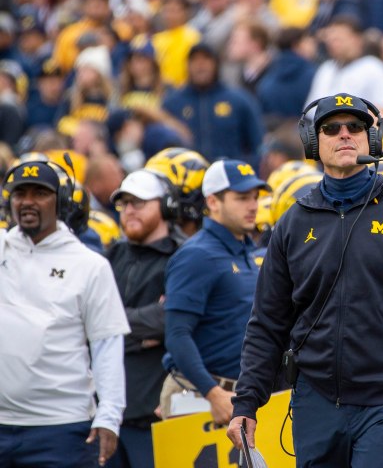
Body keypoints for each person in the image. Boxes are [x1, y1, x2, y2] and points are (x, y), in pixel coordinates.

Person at [227, 93, 383, 467]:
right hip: (316, 398)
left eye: (355, 127)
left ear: (371, 138)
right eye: (331, 128)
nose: (345, 135)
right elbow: (267, 321)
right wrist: (246, 403)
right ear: (312, 141)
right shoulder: (293, 221)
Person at [0, 160, 129, 467]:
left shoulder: (89, 264)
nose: (28, 201)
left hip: (62, 428)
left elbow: (107, 344)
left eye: (39, 193)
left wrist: (110, 415)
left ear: (60, 201)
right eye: (20, 193)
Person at [160, 159, 268, 425]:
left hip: (235, 395)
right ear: (213, 202)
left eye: (254, 197)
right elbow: (176, 334)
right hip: (203, 395)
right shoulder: (197, 255)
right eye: (242, 198)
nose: (253, 205)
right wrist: (212, 392)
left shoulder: (243, 250)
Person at [105, 169, 185, 467]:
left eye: (138, 202)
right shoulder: (113, 254)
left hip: (156, 413)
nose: (129, 211)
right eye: (124, 204)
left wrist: (110, 325)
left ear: (165, 206)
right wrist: (142, 330)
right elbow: (87, 319)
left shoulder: (183, 255)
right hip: (110, 413)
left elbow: (170, 319)